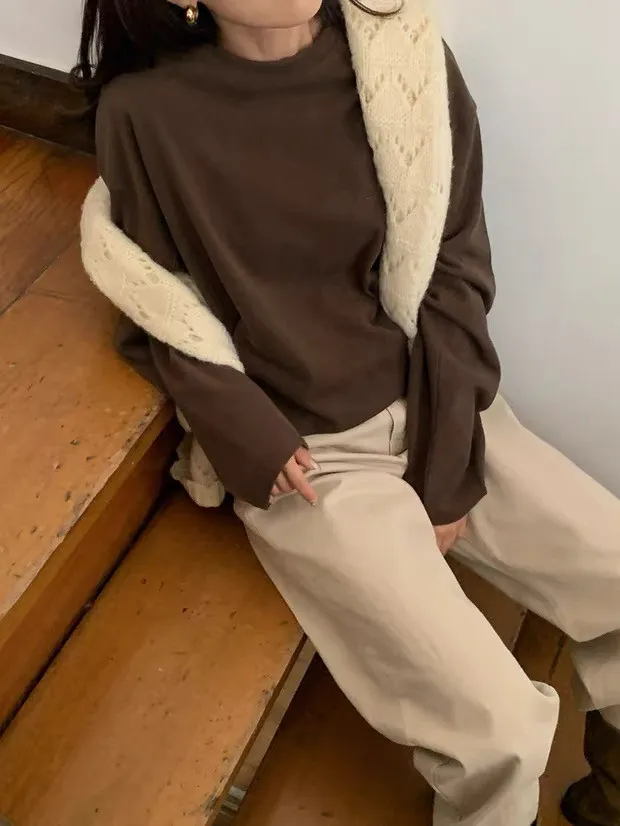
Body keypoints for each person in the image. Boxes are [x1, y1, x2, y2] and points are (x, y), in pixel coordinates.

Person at [74, 1, 620, 824]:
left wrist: (446, 465)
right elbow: (158, 303)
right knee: (499, 727)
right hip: (311, 462)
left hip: (442, 403)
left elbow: (456, 270)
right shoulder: (146, 114)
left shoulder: (406, 62)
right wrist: (245, 431)